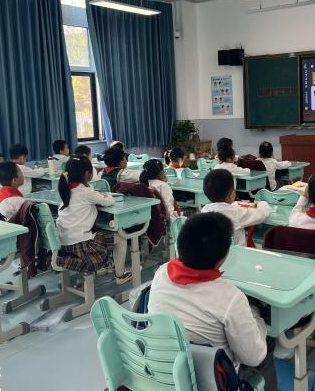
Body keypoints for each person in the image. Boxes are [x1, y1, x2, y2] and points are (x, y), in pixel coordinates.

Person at [148, 212, 268, 370]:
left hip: (162, 367)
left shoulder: (161, 273)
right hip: (211, 378)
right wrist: (257, 316)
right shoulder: (231, 298)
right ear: (224, 255)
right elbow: (254, 358)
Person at [55, 156, 131, 284]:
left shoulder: (66, 190)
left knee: (100, 233)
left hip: (64, 245)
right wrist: (105, 195)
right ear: (87, 174)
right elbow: (108, 201)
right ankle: (120, 275)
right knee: (120, 237)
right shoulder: (86, 192)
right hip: (82, 246)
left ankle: (106, 265)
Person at [201, 169, 271, 246]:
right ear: (232, 194)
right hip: (238, 252)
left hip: (215, 252)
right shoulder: (236, 213)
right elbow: (263, 214)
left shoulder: (204, 210)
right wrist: (261, 203)